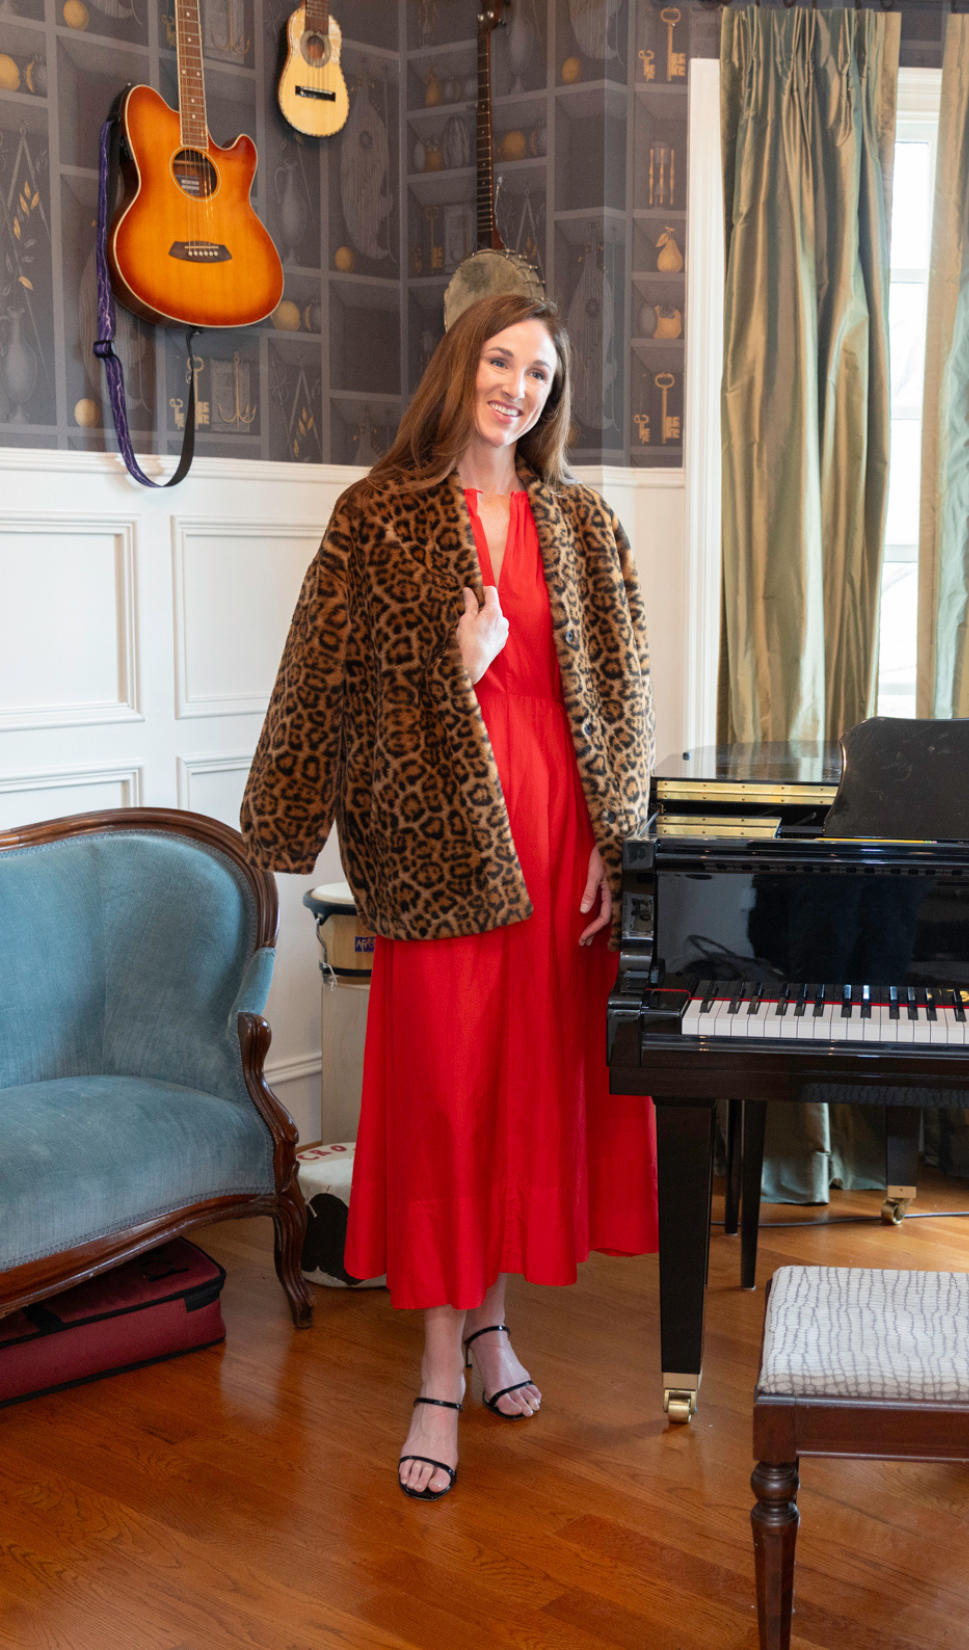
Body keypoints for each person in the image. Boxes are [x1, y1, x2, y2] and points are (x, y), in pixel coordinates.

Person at [241, 293, 658, 1503]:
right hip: (437, 849)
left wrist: (611, 845)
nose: (518, 386)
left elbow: (623, 693)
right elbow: (324, 687)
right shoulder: (375, 516)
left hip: (554, 833)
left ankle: (491, 1327)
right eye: (500, 359)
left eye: (540, 371)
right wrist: (452, 664)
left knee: (523, 1087)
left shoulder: (582, 521)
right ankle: (435, 1366)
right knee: (442, 1097)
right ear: (460, 365)